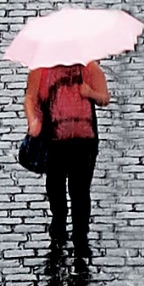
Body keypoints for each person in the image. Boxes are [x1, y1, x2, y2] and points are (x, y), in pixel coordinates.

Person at [24, 60, 110, 259]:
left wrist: (90, 94)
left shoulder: (89, 68)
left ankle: (80, 235)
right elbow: (30, 98)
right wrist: (33, 121)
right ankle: (59, 222)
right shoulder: (40, 70)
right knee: (55, 185)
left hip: (84, 139)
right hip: (54, 139)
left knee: (80, 190)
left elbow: (105, 98)